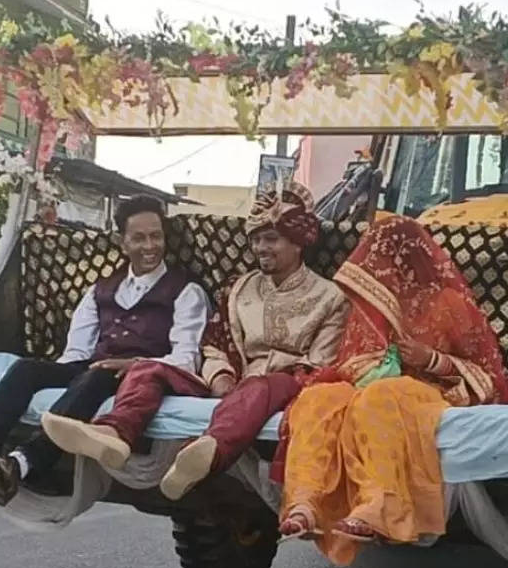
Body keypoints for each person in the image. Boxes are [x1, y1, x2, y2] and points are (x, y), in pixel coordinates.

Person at [41, 182, 350, 500]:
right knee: (148, 369)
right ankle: (114, 432)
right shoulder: (240, 288)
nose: (260, 248)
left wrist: (263, 381)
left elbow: (320, 366)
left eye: (271, 239)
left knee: (259, 386)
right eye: (255, 240)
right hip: (226, 383)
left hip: (287, 386)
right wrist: (220, 376)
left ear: (298, 242)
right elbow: (214, 342)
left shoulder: (330, 297)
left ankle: (207, 452)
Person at [0, 196, 210, 516]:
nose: (150, 246)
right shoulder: (102, 289)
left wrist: (134, 365)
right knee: (26, 370)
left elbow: (187, 359)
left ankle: (22, 464)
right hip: (96, 367)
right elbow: (76, 351)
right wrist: (55, 377)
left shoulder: (186, 291)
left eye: (156, 236)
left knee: (96, 376)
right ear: (123, 242)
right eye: (139, 238)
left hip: (146, 378)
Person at [276, 215, 508, 566]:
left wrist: (432, 359)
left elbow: (490, 376)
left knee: (381, 397)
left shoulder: (448, 303)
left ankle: (380, 505)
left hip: (424, 390)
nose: (381, 265)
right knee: (319, 398)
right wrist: (367, 366)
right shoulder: (370, 305)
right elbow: (349, 360)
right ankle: (307, 501)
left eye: (388, 256)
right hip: (369, 386)